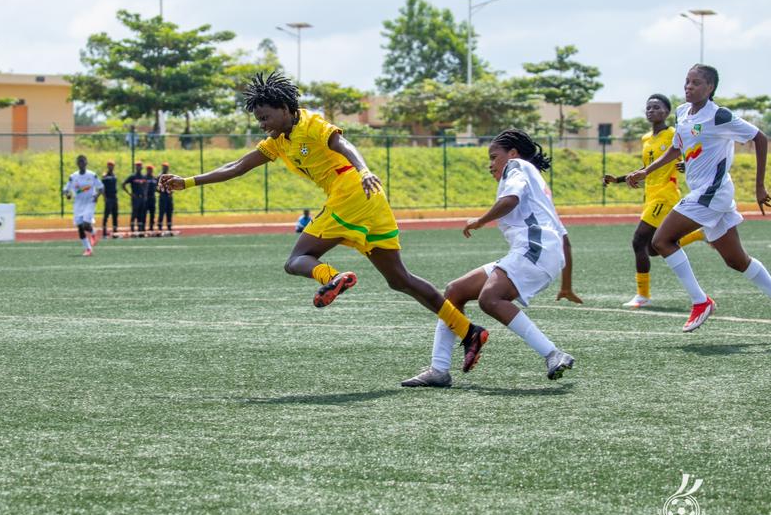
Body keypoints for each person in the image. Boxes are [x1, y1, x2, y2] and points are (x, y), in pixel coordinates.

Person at [158, 71, 489, 378]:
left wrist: (363, 169)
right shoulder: (277, 142)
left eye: (265, 117)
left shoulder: (312, 125)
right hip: (369, 200)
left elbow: (343, 145)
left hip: (352, 191)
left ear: (286, 109)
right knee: (400, 280)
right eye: (258, 119)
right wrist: (187, 182)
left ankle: (333, 277)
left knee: (295, 260)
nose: (261, 124)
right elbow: (238, 165)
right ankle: (468, 331)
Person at [402, 129, 577, 388]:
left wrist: (480, 221)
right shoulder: (537, 183)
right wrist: (566, 284)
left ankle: (553, 353)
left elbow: (511, 200)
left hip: (535, 249)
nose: (491, 164)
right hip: (539, 252)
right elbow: (564, 239)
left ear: (513, 154)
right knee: (455, 291)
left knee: (490, 298)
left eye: (494, 157)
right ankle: (439, 369)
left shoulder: (516, 167)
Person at [625, 64, 771, 332]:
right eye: (687, 82)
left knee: (660, 241)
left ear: (710, 87)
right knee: (737, 261)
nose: (688, 87)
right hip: (706, 194)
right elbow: (677, 147)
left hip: (712, 193)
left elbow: (760, 139)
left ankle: (700, 301)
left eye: (695, 83)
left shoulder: (720, 116)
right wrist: (647, 170)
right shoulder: (682, 112)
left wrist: (759, 187)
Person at [603, 94, 705, 307]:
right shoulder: (646, 139)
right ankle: (697, 235)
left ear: (666, 112)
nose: (651, 111)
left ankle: (642, 296)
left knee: (638, 240)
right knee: (651, 248)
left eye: (656, 107)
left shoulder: (673, 134)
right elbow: (648, 168)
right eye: (648, 108)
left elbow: (694, 147)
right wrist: (620, 179)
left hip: (665, 195)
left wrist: (686, 163)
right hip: (650, 195)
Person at [63, 154, 103, 257]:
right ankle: (88, 249)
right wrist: (67, 195)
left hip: (90, 201)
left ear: (86, 163)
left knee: (85, 224)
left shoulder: (92, 175)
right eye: (79, 162)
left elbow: (101, 188)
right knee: (80, 227)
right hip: (78, 204)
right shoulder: (73, 177)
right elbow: (65, 190)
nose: (81, 163)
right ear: (77, 164)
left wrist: (97, 196)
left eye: (83, 161)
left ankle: (93, 232)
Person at [123, 161, 147, 234]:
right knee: (134, 213)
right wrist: (129, 193)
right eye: (137, 166)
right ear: (136, 167)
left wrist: (145, 194)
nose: (138, 167)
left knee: (141, 213)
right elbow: (123, 184)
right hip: (135, 197)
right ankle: (132, 228)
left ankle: (140, 228)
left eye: (140, 166)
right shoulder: (132, 176)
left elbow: (146, 185)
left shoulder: (143, 177)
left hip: (142, 197)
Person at [100, 161, 119, 238]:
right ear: (107, 166)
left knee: (115, 215)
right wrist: (105, 197)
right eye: (109, 165)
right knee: (106, 215)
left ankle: (115, 232)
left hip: (114, 197)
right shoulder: (105, 176)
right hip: (109, 198)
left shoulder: (114, 175)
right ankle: (104, 233)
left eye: (112, 166)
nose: (111, 167)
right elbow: (102, 188)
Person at [157, 162, 175, 232]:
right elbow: (156, 186)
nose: (165, 168)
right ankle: (160, 226)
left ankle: (169, 226)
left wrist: (171, 191)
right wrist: (160, 191)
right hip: (163, 195)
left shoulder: (170, 176)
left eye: (166, 167)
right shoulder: (160, 176)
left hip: (169, 196)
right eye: (164, 167)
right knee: (161, 211)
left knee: (169, 211)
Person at [143, 164, 158, 232]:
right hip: (146, 198)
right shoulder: (144, 178)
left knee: (152, 213)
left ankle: (151, 227)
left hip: (152, 197)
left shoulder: (154, 178)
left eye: (151, 169)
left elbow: (157, 188)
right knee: (144, 213)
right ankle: (143, 227)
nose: (150, 170)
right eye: (148, 169)